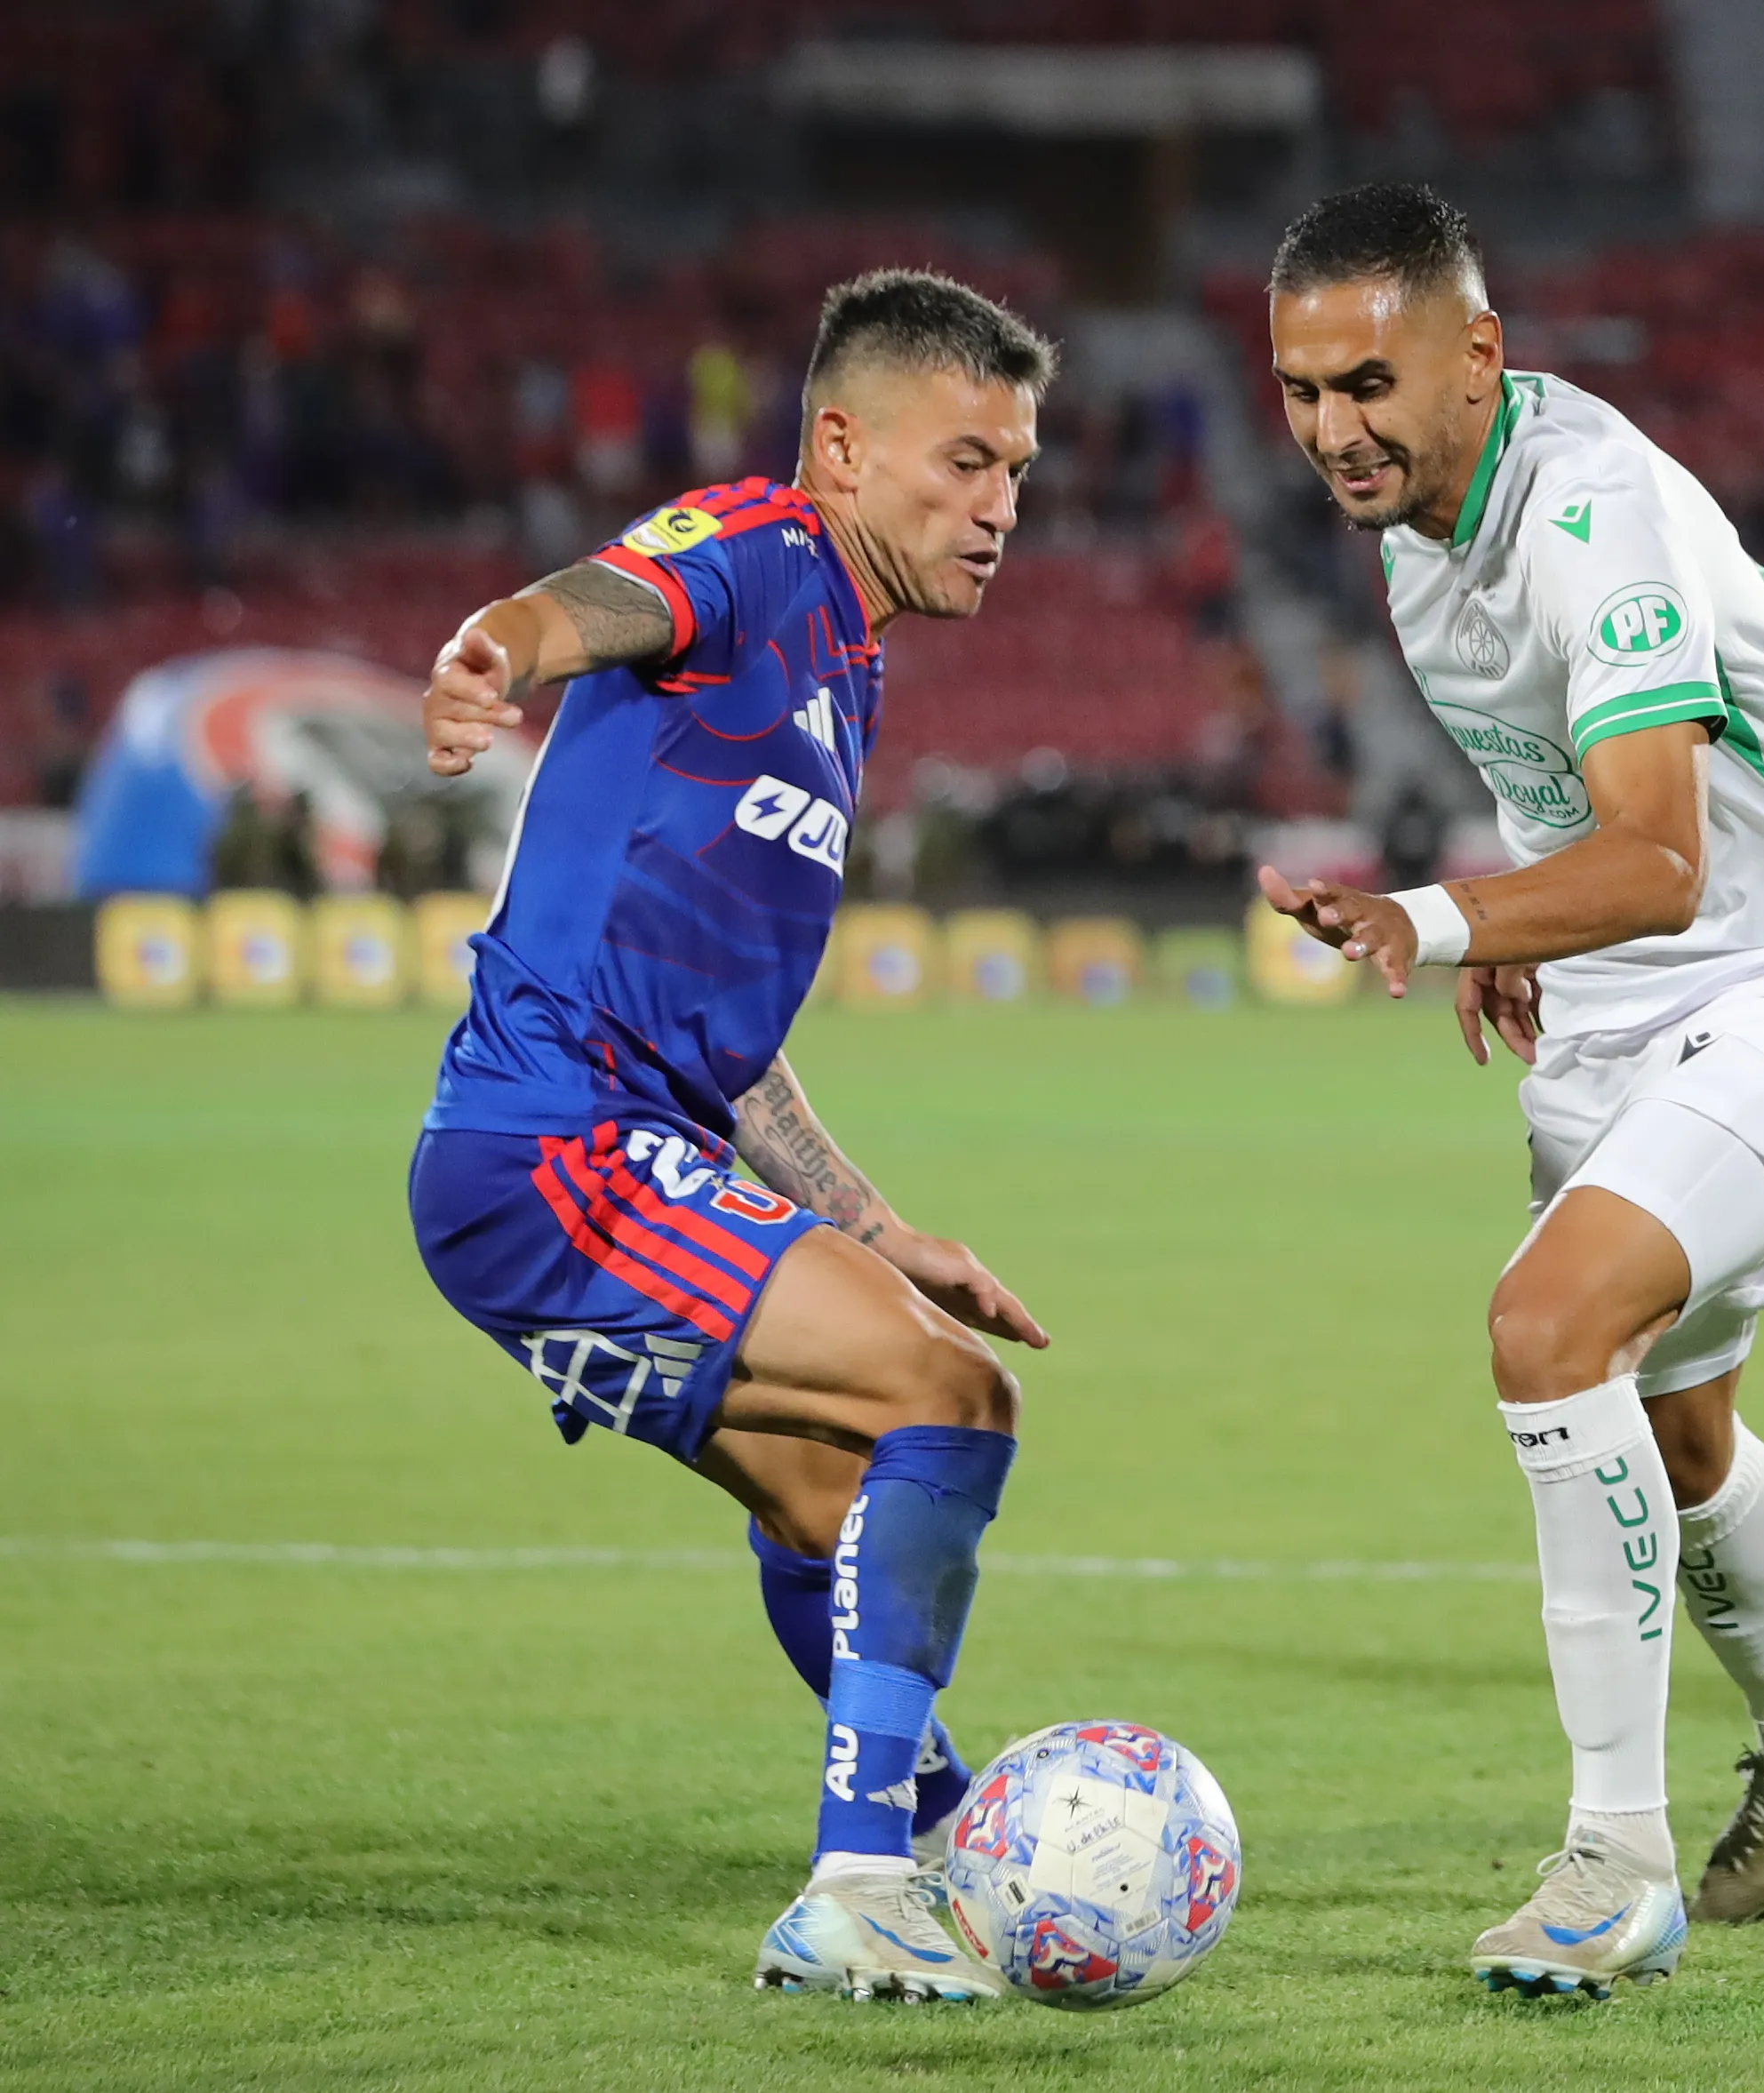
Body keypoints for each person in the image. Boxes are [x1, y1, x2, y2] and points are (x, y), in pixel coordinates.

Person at [1254, 183, 1764, 1996]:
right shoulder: (1416, 525)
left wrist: (1431, 910)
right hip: (1615, 1007)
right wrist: (1510, 912)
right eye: (1301, 390)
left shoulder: (1589, 509)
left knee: (1545, 1327)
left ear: (1477, 353)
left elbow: (1664, 857)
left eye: (1367, 382)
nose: (1333, 429)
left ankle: (1608, 1857)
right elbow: (1575, 805)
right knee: (1677, 1435)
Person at [409, 270, 1053, 1999]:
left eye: (1019, 471)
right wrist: (499, 650)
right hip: (560, 1150)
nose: (1000, 505)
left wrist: (876, 1222)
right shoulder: (764, 548)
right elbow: (606, 595)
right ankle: (862, 1881)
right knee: (950, 1396)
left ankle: (922, 1836)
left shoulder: (846, 661)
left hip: (612, 1143)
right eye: (966, 460)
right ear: (844, 447)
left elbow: (734, 1057)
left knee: (837, 1499)